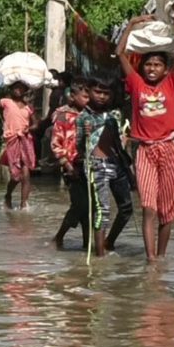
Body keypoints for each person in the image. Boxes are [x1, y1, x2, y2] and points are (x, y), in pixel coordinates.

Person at [117, 4, 174, 262]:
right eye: (148, 64)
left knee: (167, 210)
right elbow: (120, 52)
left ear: (165, 70)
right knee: (148, 207)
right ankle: (150, 260)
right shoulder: (136, 84)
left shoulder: (170, 83)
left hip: (168, 149)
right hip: (145, 150)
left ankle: (161, 257)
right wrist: (132, 23)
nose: (152, 69)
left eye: (157, 65)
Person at [76, 77, 134, 257]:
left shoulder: (114, 114)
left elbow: (121, 139)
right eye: (98, 92)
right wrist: (87, 136)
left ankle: (109, 242)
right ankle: (100, 255)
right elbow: (79, 147)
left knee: (126, 208)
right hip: (96, 164)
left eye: (106, 93)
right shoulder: (83, 117)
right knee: (102, 210)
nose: (101, 96)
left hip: (117, 163)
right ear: (89, 91)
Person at [51, 79, 91, 249]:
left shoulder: (91, 115)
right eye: (85, 97)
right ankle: (59, 237)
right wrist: (66, 164)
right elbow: (56, 144)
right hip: (71, 167)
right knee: (80, 205)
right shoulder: (63, 116)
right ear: (73, 96)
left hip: (90, 165)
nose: (88, 100)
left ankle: (87, 244)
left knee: (89, 208)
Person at [0, 82, 37, 210]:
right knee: (16, 176)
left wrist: (29, 129)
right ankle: (8, 195)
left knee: (26, 174)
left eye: (20, 88)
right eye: (15, 88)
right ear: (11, 89)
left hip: (25, 140)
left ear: (25, 90)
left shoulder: (28, 107)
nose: (18, 90)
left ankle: (23, 204)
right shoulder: (6, 102)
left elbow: (36, 124)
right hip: (12, 141)